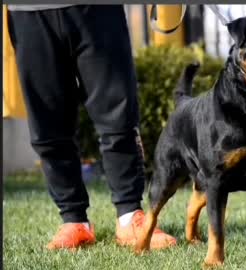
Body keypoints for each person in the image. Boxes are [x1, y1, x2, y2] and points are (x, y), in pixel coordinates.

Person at [7, 4, 176, 250]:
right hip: (27, 11)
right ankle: (73, 221)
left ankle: (129, 216)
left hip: (96, 9)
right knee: (47, 123)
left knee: (118, 114)